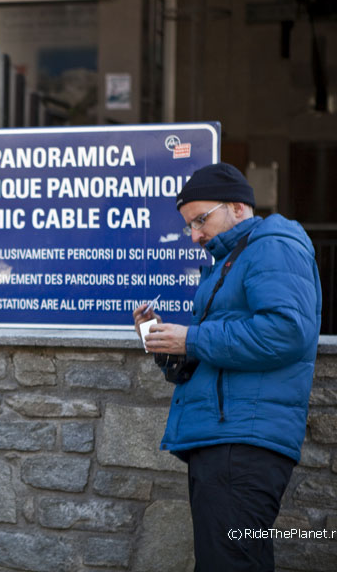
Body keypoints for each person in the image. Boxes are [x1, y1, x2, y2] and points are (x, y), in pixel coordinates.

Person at [132, 162, 322, 571]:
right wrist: (168, 346)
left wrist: (191, 339)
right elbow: (218, 353)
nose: (195, 235)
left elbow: (287, 332)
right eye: (189, 226)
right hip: (226, 439)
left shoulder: (272, 246)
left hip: (243, 443)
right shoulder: (230, 261)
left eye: (200, 220)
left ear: (237, 207)